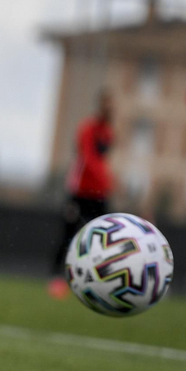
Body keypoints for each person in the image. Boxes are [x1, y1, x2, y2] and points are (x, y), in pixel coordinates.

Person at [47, 91, 115, 299]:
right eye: (107, 104)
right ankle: (57, 278)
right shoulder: (87, 128)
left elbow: (102, 161)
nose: (110, 109)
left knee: (100, 239)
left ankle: (94, 280)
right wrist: (106, 178)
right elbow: (88, 157)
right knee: (69, 235)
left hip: (99, 194)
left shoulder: (109, 133)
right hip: (79, 192)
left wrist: (105, 181)